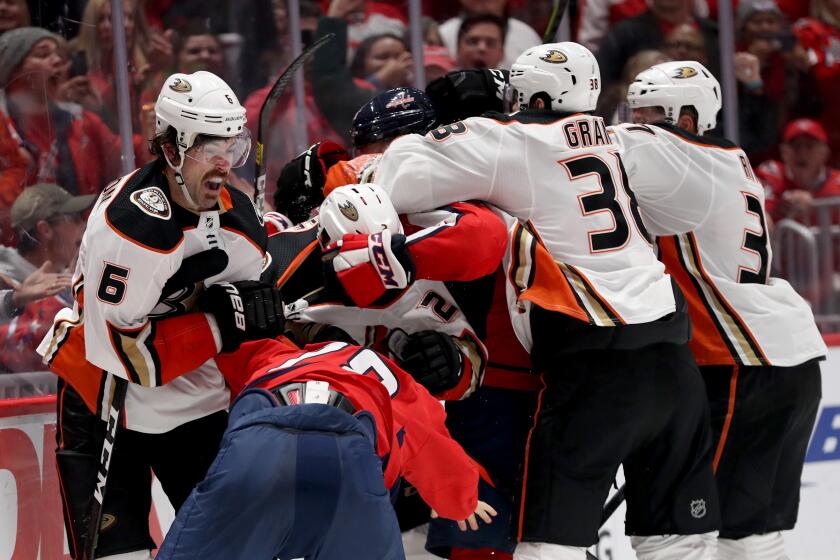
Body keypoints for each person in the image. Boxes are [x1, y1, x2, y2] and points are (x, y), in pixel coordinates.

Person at [375, 42, 720, 559]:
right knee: (680, 542)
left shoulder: (510, 140)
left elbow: (392, 178)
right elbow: (691, 209)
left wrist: (458, 121)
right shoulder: (627, 141)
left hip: (594, 366)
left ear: (527, 94)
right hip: (675, 361)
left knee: (549, 547)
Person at [37, 70, 282, 560]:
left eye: (232, 148)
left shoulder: (240, 225)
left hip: (195, 405)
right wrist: (220, 323)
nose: (224, 164)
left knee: (232, 551)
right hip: (103, 394)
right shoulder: (131, 228)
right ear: (171, 149)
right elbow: (130, 359)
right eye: (209, 149)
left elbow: (254, 319)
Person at [613, 59, 826, 559]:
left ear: (685, 119)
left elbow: (578, 146)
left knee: (695, 532)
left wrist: (526, 116)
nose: (637, 125)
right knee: (750, 534)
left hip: (736, 363)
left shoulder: (682, 155)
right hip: (786, 359)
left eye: (646, 115)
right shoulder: (728, 160)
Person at [156, 335, 496, 560]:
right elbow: (444, 463)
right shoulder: (411, 394)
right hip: (349, 464)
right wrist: (462, 503)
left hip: (260, 443)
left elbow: (220, 343)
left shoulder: (276, 351)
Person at [0, 27, 121, 195]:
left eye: (58, 55)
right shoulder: (4, 127)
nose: (57, 60)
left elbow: (126, 158)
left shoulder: (80, 120)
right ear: (13, 71)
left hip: (79, 220)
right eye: (43, 55)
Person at [0, 184, 86, 370]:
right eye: (74, 218)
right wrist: (15, 300)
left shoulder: (73, 278)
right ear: (45, 229)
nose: (83, 224)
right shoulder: (4, 281)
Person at [758, 118, 840, 223]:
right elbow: (757, 216)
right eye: (795, 145)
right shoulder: (772, 173)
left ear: (824, 152)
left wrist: (813, 201)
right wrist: (783, 200)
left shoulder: (837, 182)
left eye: (809, 146)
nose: (802, 152)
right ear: (784, 152)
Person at [438, 0, 540, 69]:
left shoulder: (527, 36)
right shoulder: (442, 34)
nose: (482, 48)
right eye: (472, 41)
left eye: (490, 43)